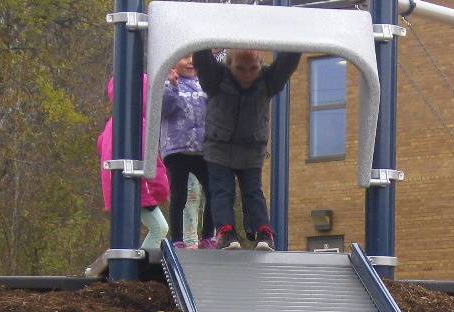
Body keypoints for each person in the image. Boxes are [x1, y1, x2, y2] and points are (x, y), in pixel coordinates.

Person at [193, 47, 301, 250]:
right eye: (240, 68)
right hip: (220, 146)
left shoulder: (268, 81)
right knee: (222, 191)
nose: (247, 74)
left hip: (251, 147)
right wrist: (204, 34)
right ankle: (226, 232)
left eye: (253, 68)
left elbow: (288, 62)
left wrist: (297, 38)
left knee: (253, 191)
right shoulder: (216, 78)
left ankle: (263, 232)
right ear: (229, 65)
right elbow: (202, 59)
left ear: (261, 65)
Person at [97, 75, 171, 257]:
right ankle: (140, 264)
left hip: (115, 185)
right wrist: (161, 189)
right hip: (136, 185)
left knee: (127, 231)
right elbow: (151, 160)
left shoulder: (113, 123)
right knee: (159, 228)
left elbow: (101, 145)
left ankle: (133, 258)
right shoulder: (140, 125)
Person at [160, 57, 214, 248]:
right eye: (185, 57)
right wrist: (173, 86)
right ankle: (177, 239)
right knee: (179, 195)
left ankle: (209, 236)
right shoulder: (168, 83)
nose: (191, 62)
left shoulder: (204, 85)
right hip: (178, 149)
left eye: (194, 57)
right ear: (174, 62)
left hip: (201, 149)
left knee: (214, 190)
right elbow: (164, 110)